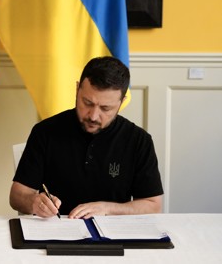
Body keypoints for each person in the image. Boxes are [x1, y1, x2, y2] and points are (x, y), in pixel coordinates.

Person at [10, 56, 163, 219]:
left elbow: (153, 205)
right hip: (55, 229)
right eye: (87, 103)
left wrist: (107, 208)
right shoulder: (45, 131)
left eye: (106, 108)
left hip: (113, 236)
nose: (94, 116)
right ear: (77, 90)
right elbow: (17, 195)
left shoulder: (139, 140)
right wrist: (34, 202)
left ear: (121, 102)